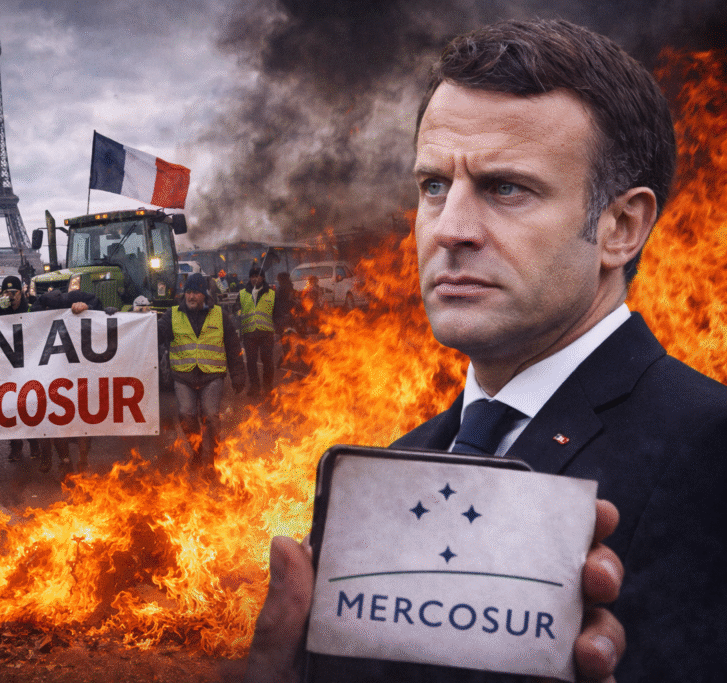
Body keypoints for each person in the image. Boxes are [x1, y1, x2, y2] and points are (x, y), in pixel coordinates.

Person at [244, 18, 726, 682]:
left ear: (621, 227)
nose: (451, 229)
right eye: (434, 185)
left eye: (506, 188)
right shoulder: (394, 468)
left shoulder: (708, 446)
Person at [158, 272, 246, 472]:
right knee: (186, 417)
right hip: (183, 377)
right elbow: (157, 333)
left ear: (204, 295)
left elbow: (233, 347)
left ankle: (210, 459)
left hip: (212, 376)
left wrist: (238, 375)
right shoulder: (172, 315)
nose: (191, 297)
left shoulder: (219, 315)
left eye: (195, 293)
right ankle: (197, 452)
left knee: (211, 418)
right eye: (188, 292)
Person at [28, 288, 109, 474]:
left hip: (79, 370)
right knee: (57, 418)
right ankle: (65, 460)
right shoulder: (40, 308)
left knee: (83, 418)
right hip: (55, 372)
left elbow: (98, 305)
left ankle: (82, 460)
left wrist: (88, 307)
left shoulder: (76, 298)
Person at [0, 275, 35, 463]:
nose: (10, 296)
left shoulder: (32, 311)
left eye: (13, 292)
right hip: (7, 368)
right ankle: (15, 446)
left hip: (28, 366)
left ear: (21, 293)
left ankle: (34, 442)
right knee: (11, 407)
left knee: (30, 406)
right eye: (6, 292)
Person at [240, 266, 276, 397]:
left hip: (266, 333)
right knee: (251, 361)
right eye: (253, 276)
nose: (255, 279)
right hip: (249, 333)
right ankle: (254, 386)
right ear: (250, 278)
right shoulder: (243, 293)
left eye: (258, 276)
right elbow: (237, 311)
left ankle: (267, 386)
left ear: (263, 278)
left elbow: (276, 312)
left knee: (267, 360)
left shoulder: (271, 293)